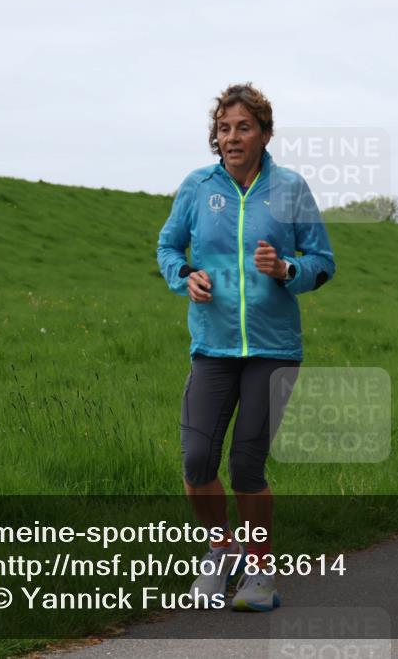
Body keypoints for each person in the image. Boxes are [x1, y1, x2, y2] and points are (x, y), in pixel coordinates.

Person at [157, 83, 335, 609]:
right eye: (224, 128)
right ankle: (221, 550)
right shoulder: (197, 186)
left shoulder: (290, 187)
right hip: (212, 347)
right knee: (196, 461)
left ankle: (260, 573)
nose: (232, 137)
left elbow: (322, 262)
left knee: (246, 467)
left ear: (264, 133)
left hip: (273, 350)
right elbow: (169, 246)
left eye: (243, 127)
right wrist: (184, 276)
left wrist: (286, 269)